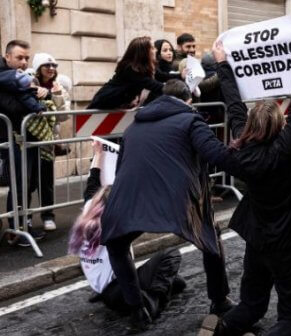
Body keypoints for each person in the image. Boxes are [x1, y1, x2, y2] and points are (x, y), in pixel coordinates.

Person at [100, 79, 235, 332]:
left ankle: (137, 310)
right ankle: (219, 301)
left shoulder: (132, 127)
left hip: (129, 196)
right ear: (189, 101)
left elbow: (121, 169)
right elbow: (216, 155)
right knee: (210, 239)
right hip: (176, 197)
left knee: (117, 245)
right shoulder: (191, 120)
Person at [210, 31, 291, 336]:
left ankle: (218, 329)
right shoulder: (284, 151)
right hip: (288, 242)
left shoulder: (240, 151)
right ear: (280, 126)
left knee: (251, 305)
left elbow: (234, 105)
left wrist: (223, 64)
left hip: (257, 238)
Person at [69, 141, 186, 324]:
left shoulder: (89, 208)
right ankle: (152, 303)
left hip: (103, 290)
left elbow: (93, 180)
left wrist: (98, 153)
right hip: (121, 291)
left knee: (177, 282)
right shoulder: (116, 224)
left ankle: (153, 292)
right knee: (171, 255)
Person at [0, 40, 47, 245]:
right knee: (18, 183)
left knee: (23, 183)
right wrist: (32, 96)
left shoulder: (21, 79)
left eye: (27, 58)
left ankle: (18, 228)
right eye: (19, 57)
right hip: (7, 139)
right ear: (7, 56)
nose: (24, 62)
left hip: (19, 138)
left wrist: (42, 93)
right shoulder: (5, 77)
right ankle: (15, 230)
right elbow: (12, 108)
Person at [30, 53, 71, 232]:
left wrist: (57, 96)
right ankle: (27, 217)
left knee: (46, 181)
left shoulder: (59, 87)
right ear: (38, 68)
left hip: (48, 141)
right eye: (47, 65)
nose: (51, 69)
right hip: (30, 139)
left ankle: (48, 216)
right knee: (28, 182)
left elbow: (63, 116)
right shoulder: (29, 83)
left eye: (54, 65)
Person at [88, 36, 164, 110]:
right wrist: (173, 88)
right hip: (103, 104)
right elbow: (155, 86)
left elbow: (162, 77)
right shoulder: (130, 69)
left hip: (113, 107)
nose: (156, 50)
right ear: (144, 52)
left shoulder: (140, 69)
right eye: (152, 48)